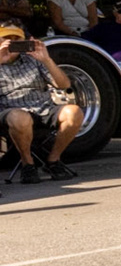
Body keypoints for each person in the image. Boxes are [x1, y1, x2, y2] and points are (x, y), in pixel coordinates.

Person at [0, 25, 85, 183]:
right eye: (6, 39)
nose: (11, 43)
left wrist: (47, 59)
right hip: (10, 110)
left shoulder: (33, 60)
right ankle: (27, 164)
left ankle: (53, 160)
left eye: (16, 39)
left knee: (74, 112)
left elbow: (64, 85)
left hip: (43, 108)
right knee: (20, 118)